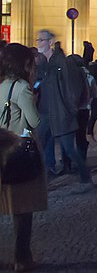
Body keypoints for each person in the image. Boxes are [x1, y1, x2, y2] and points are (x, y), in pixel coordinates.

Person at [0, 43, 49, 271]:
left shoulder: (1, 85)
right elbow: (34, 122)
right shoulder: (22, 88)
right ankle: (22, 258)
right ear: (25, 64)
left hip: (1, 147)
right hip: (19, 151)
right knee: (22, 209)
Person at [33, 31, 91, 184]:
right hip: (44, 112)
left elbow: (72, 88)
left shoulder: (62, 63)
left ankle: (84, 173)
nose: (38, 42)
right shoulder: (42, 64)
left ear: (50, 42)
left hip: (60, 112)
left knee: (69, 149)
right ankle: (43, 179)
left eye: (42, 40)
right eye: (38, 39)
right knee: (39, 146)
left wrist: (71, 108)